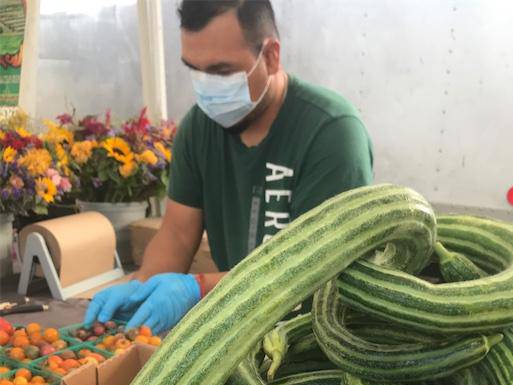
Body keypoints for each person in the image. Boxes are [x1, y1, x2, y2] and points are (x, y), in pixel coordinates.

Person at [85, 0, 373, 334]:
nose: (206, 87)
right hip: (236, 329)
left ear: (270, 56)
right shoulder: (198, 129)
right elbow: (178, 233)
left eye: (221, 72)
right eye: (194, 69)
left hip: (313, 338)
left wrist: (197, 288)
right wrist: (144, 285)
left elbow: (315, 270)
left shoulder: (331, 133)